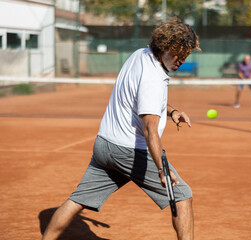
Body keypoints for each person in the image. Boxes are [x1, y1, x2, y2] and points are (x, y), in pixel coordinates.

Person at [42, 17, 201, 240]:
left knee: (77, 201)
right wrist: (161, 169)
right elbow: (149, 130)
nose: (181, 59)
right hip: (128, 150)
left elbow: (143, 101)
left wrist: (172, 111)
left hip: (104, 145)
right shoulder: (154, 79)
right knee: (183, 196)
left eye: (186, 54)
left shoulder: (140, 55)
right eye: (178, 53)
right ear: (164, 47)